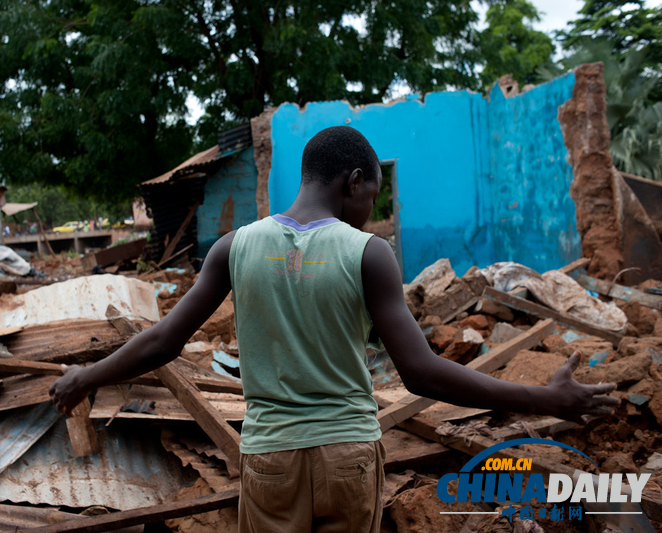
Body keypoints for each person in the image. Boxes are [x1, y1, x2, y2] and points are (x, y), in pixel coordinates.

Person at [49, 126, 618, 533]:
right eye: (372, 193)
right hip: (347, 455)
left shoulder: (235, 247)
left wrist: (87, 375)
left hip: (271, 458)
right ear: (353, 181)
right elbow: (419, 373)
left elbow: (162, 340)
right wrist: (545, 398)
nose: (371, 207)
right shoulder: (369, 253)